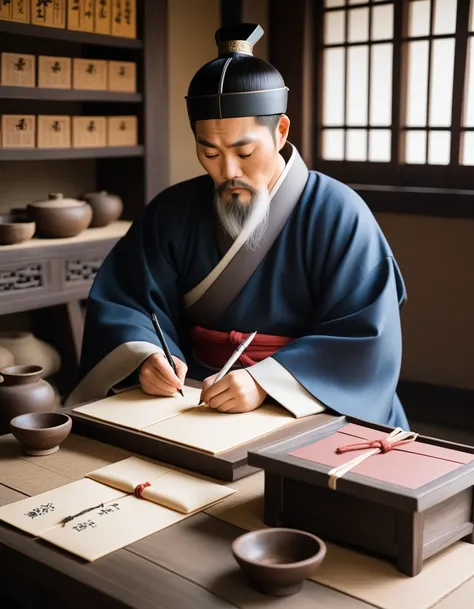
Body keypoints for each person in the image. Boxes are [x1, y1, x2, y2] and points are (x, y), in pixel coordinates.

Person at [66, 23, 409, 430]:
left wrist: (268, 381)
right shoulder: (172, 211)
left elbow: (364, 337)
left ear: (280, 132)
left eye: (245, 152)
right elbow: (128, 300)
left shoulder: (339, 215)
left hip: (307, 403)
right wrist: (146, 357)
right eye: (208, 152)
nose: (228, 171)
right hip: (196, 396)